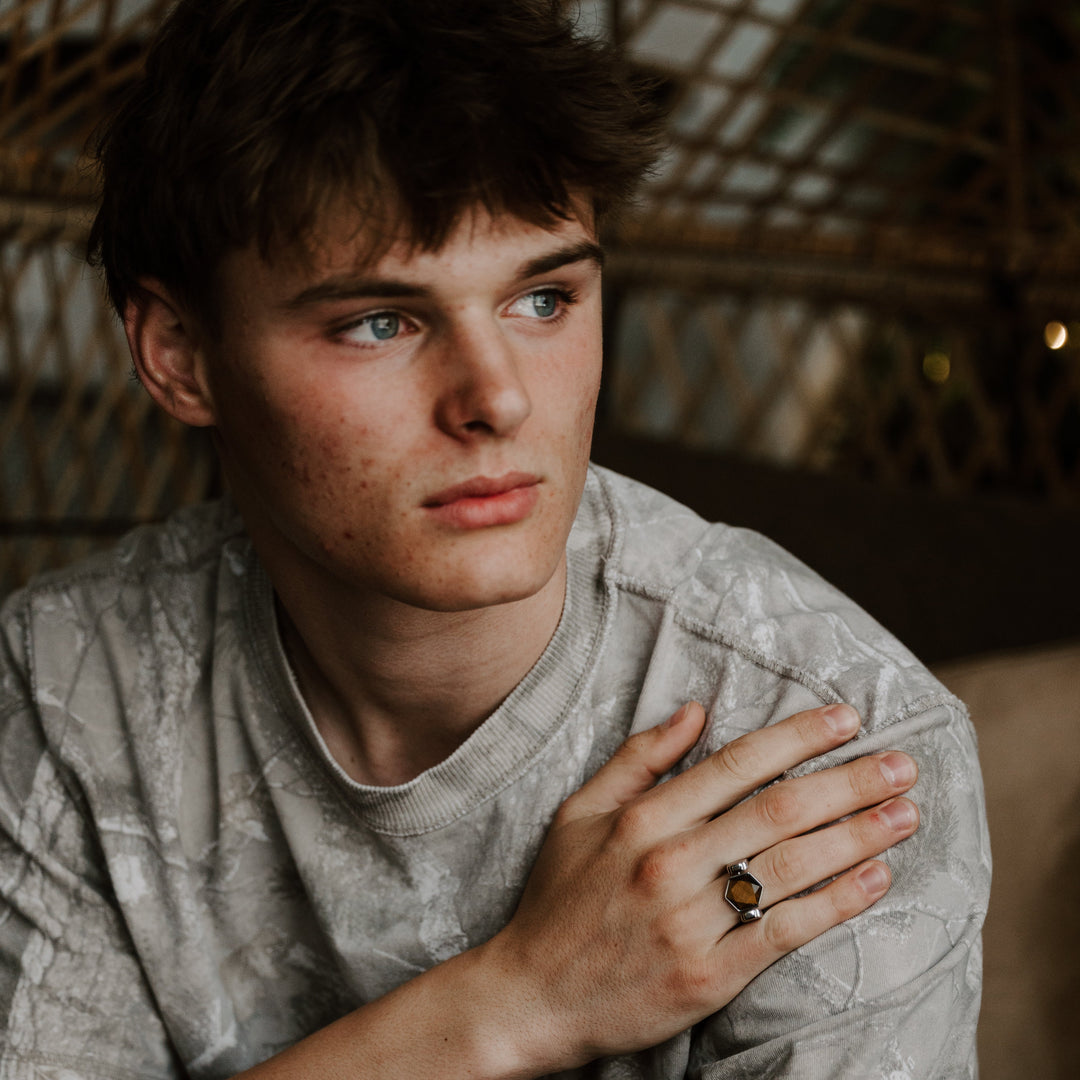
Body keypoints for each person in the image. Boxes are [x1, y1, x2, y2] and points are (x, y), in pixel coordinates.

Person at [0, 1, 989, 1077]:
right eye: (382, 321)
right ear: (180, 355)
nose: (498, 401)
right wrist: (514, 1004)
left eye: (545, 299)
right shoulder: (62, 691)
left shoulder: (830, 742)